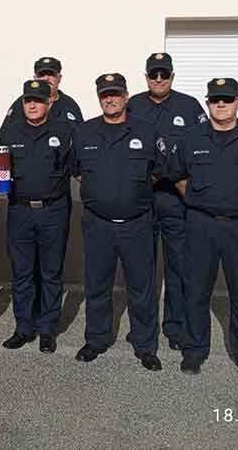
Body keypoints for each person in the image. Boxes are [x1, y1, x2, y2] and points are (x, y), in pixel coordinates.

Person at [168, 78, 238, 382]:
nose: (221, 104)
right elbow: (177, 176)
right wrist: (197, 199)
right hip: (201, 224)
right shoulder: (190, 139)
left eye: (227, 99)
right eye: (215, 100)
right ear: (208, 104)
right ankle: (194, 350)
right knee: (196, 290)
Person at [72, 73, 164, 371]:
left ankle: (145, 346)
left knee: (141, 287)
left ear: (126, 97)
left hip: (137, 224)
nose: (109, 99)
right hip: (98, 224)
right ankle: (96, 340)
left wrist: (131, 194)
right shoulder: (84, 132)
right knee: (97, 285)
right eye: (104, 95)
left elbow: (158, 171)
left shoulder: (147, 131)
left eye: (114, 93)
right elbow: (78, 171)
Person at [127, 52, 207, 351]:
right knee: (141, 269)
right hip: (141, 199)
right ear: (146, 77)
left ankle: (175, 327)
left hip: (176, 199)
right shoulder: (133, 105)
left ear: (172, 76)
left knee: (178, 267)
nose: (158, 79)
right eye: (153, 74)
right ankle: (142, 328)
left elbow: (203, 147)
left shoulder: (189, 106)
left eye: (164, 74)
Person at [0, 80, 74, 354]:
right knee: (22, 273)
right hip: (19, 210)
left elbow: (76, 168)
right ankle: (23, 327)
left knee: (51, 272)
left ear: (49, 103)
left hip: (53, 210)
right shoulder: (10, 131)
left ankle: (47, 329)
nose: (32, 105)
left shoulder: (64, 131)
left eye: (38, 100)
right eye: (28, 100)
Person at [0, 57, 83, 131]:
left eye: (51, 74)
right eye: (41, 75)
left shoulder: (70, 105)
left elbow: (81, 137)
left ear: (59, 78)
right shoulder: (21, 103)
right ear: (35, 78)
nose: (46, 78)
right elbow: (5, 135)